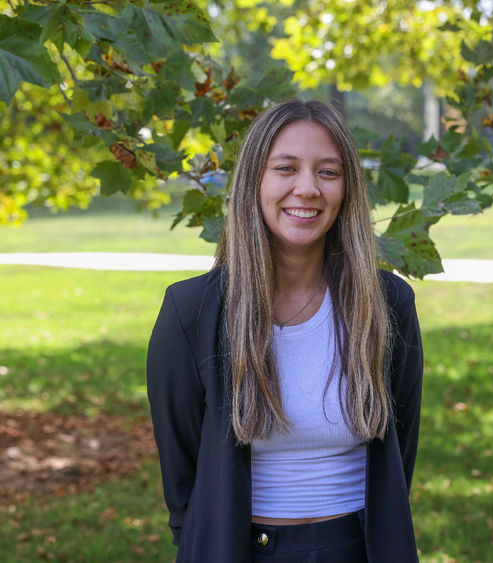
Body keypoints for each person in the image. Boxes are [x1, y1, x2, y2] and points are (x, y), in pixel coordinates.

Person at [147, 99, 423, 562]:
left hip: (359, 549)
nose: (307, 188)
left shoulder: (387, 304)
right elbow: (182, 473)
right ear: (255, 179)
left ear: (348, 190)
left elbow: (401, 449)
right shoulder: (192, 310)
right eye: (286, 168)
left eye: (328, 172)